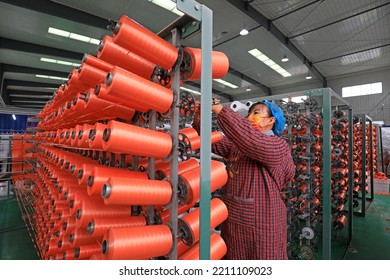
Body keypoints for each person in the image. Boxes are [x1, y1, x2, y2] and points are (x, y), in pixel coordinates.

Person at [193, 100, 295, 260]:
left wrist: (221, 110)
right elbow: (210, 141)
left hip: (263, 224)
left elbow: (253, 141)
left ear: (271, 120)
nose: (250, 116)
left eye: (256, 112)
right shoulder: (237, 147)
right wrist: (199, 118)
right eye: (249, 113)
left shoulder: (278, 146)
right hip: (234, 220)